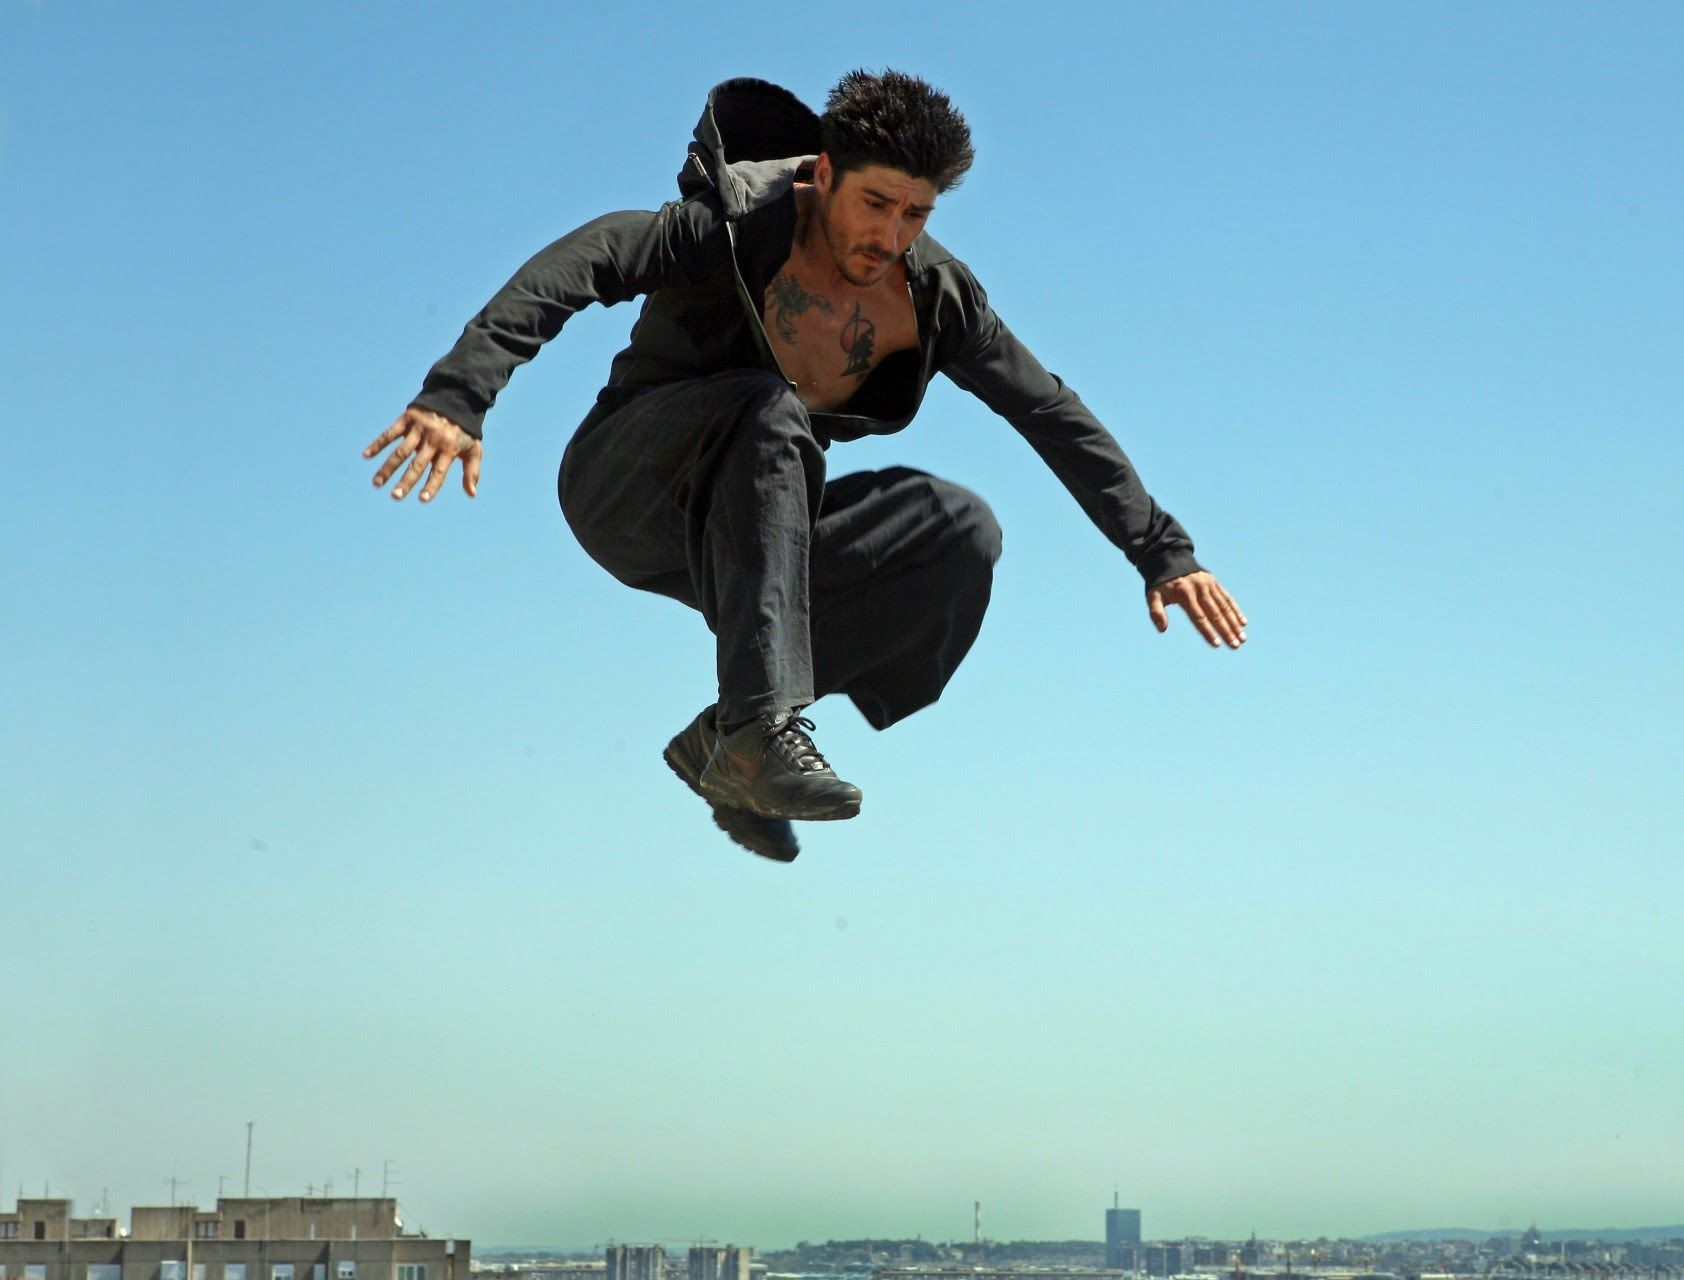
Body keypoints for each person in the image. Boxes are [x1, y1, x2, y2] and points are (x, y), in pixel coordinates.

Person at [362, 70, 1246, 863]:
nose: (890, 234)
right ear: (823, 174)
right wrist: (458, 395)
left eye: (916, 214)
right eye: (874, 204)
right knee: (769, 405)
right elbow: (592, 258)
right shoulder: (736, 228)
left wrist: (1162, 552)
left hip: (755, 528)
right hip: (631, 490)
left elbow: (1046, 409)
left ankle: (725, 747)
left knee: (959, 529)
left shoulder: (934, 299)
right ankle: (759, 728)